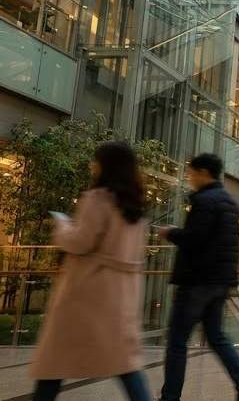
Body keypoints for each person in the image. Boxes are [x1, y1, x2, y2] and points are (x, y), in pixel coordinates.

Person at [30, 142, 151, 400]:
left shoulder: (97, 199)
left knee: (54, 359)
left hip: (87, 292)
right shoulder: (136, 208)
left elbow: (80, 242)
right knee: (125, 363)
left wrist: (62, 225)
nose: (92, 165)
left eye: (95, 160)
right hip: (121, 295)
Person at [157, 153, 239, 401]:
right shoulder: (229, 203)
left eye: (191, 173)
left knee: (178, 340)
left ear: (204, 173)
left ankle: (170, 397)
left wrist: (171, 233)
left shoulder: (204, 201)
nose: (189, 178)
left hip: (197, 280)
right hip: (219, 282)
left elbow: (195, 239)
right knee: (216, 336)